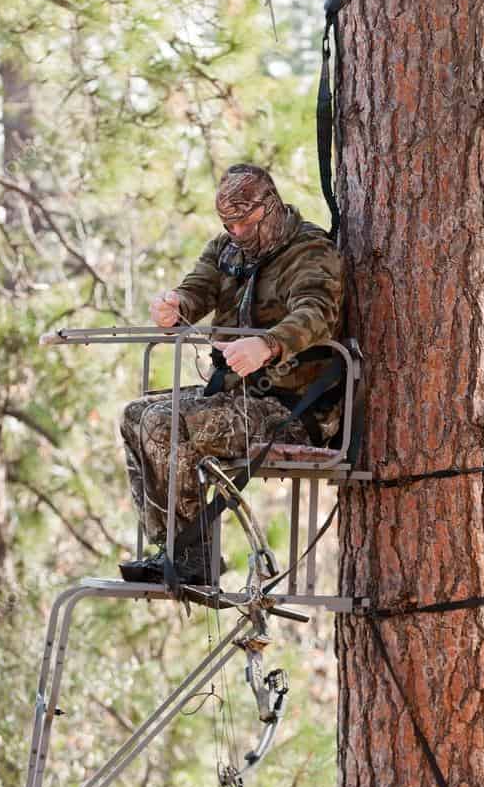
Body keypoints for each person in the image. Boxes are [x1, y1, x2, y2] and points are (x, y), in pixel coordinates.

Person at [119, 163, 344, 584]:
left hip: (292, 410)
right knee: (136, 415)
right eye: (229, 223)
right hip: (237, 398)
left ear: (271, 207)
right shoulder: (225, 250)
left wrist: (268, 345)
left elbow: (318, 313)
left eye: (246, 222)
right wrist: (175, 305)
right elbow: (197, 289)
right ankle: (172, 549)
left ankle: (191, 557)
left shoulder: (310, 251)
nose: (237, 232)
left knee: (163, 424)